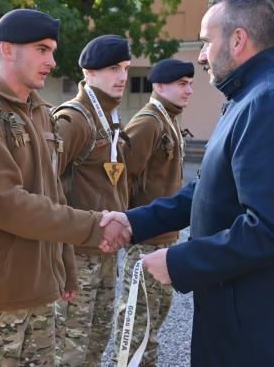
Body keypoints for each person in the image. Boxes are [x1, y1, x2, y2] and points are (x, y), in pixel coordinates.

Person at [101, 0, 274, 366]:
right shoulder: (253, 95)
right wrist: (136, 221)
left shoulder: (270, 102)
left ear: (238, 39)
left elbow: (272, 228)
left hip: (269, 337)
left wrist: (180, 262)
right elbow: (213, 187)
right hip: (254, 325)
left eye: (205, 41)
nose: (200, 55)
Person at [0, 9, 131, 366]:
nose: (52, 61)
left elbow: (53, 194)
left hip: (40, 290)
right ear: (7, 49)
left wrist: (65, 267)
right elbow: (5, 205)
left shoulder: (41, 113)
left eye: (52, 50)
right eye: (42, 49)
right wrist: (94, 224)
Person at [52, 34, 130, 366]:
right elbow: (46, 183)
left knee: (96, 342)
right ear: (89, 72)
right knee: (69, 347)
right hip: (77, 255)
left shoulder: (109, 118)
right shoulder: (74, 119)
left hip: (105, 253)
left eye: (125, 68)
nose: (123, 76)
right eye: (113, 68)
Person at [114, 58, 194, 366]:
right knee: (136, 323)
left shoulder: (168, 119)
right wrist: (127, 222)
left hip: (163, 237)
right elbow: (121, 176)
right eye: (182, 84)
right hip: (146, 239)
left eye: (190, 84)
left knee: (154, 319)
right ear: (159, 86)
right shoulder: (149, 121)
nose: (189, 90)